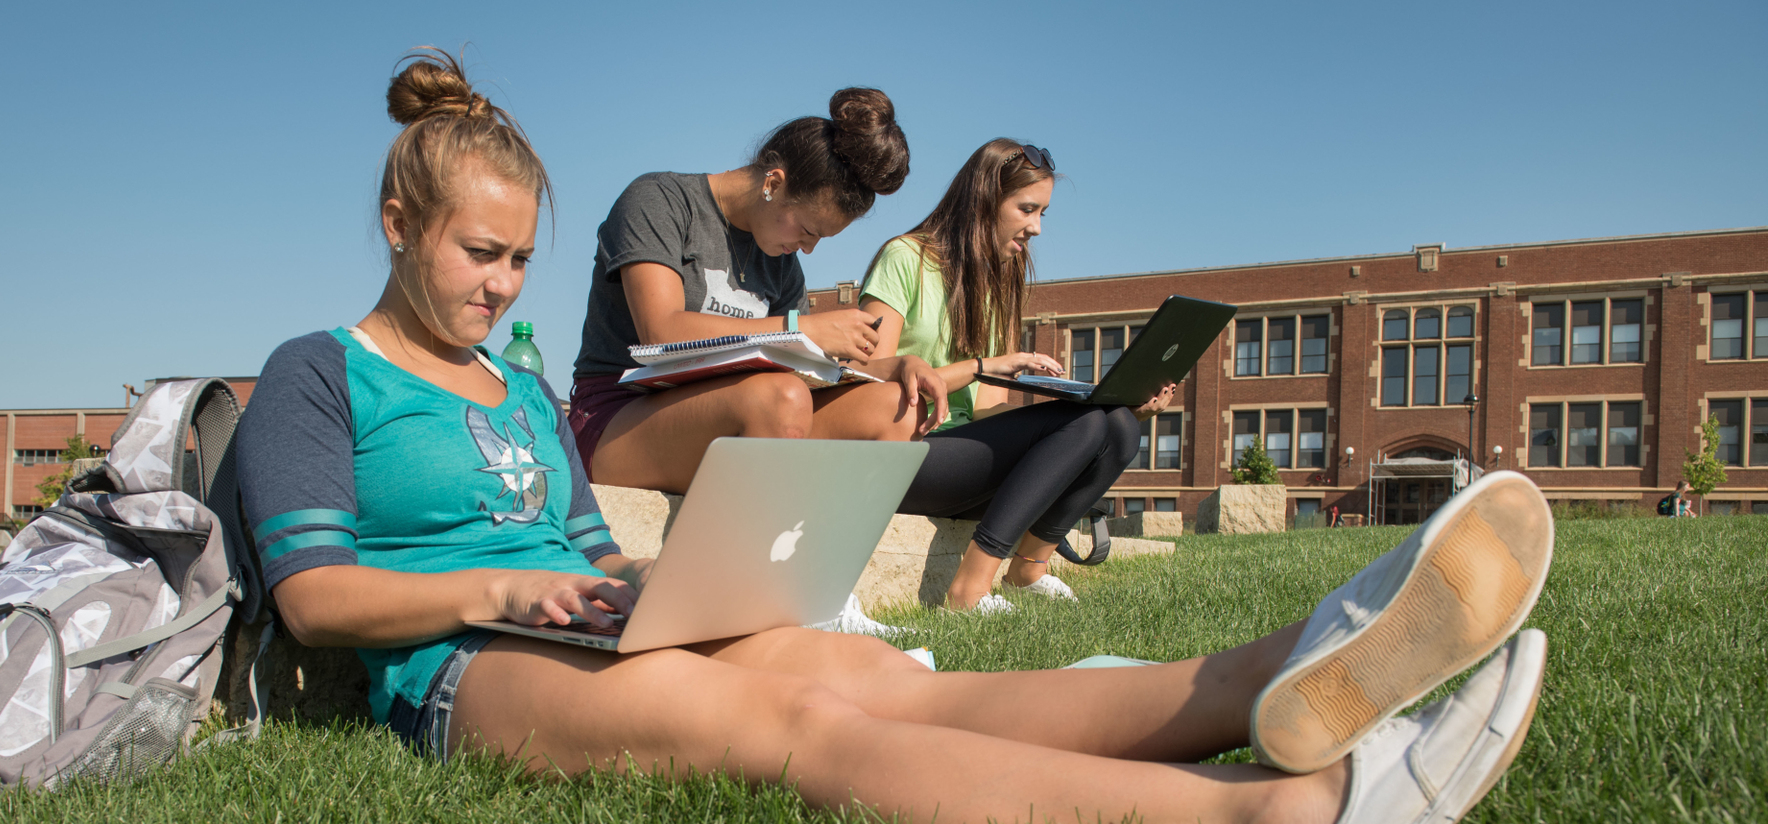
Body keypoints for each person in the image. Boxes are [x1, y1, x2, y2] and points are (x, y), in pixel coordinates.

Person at [237, 51, 1555, 823]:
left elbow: (588, 546)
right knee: (809, 728)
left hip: (577, 618)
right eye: (481, 252)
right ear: (400, 225)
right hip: (464, 667)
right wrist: (496, 588)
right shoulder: (320, 374)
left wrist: (654, 586)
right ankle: (1285, 809)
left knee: (895, 686)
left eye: (522, 257)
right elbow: (313, 598)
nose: (506, 285)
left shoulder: (517, 386)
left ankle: (1270, 673)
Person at [568, 87, 946, 494]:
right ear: (774, 183)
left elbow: (812, 368)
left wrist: (896, 367)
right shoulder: (661, 201)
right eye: (807, 229)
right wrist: (801, 328)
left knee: (897, 408)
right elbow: (661, 332)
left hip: (747, 413)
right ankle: (760, 553)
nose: (808, 248)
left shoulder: (783, 265)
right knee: (780, 398)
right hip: (617, 415)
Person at [856, 138, 1173, 611]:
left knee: (1117, 425)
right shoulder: (905, 258)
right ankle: (969, 589)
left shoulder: (997, 281)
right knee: (1084, 423)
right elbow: (865, 381)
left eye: (1042, 213)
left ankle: (1027, 571)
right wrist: (981, 366)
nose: (1037, 228)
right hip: (900, 454)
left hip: (960, 464)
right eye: (1027, 209)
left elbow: (986, 411)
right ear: (985, 199)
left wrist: (1082, 424)